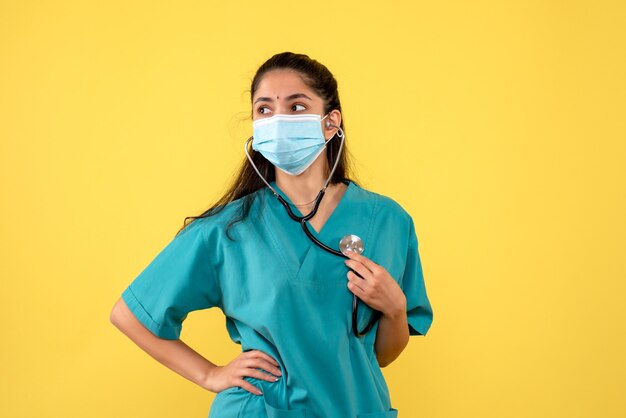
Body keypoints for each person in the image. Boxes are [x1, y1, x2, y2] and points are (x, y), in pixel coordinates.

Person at [110, 51, 433, 418]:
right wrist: (209, 374)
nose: (278, 120)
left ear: (331, 123)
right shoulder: (230, 228)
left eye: (296, 107)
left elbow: (380, 357)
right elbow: (129, 314)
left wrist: (395, 308)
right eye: (264, 109)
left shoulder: (389, 221)